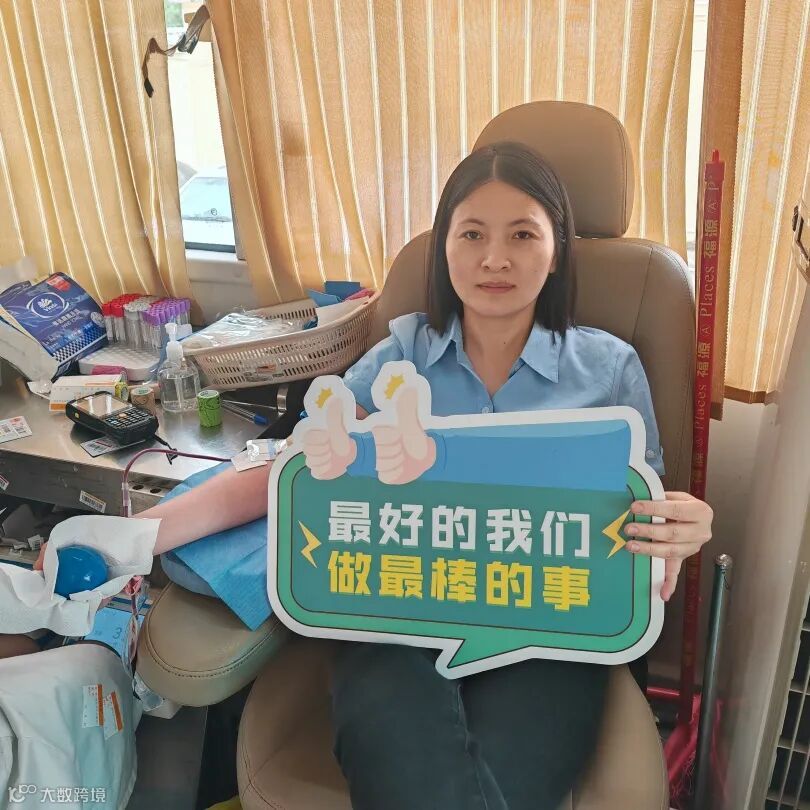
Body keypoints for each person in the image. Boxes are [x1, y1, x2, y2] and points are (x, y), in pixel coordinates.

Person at [38, 141, 714, 809]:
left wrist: (675, 535)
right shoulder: (400, 359)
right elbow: (288, 473)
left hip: (545, 624)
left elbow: (639, 529)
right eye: (472, 233)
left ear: (557, 248)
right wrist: (127, 536)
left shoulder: (609, 370)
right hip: (396, 613)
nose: (495, 258)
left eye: (522, 234)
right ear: (443, 246)